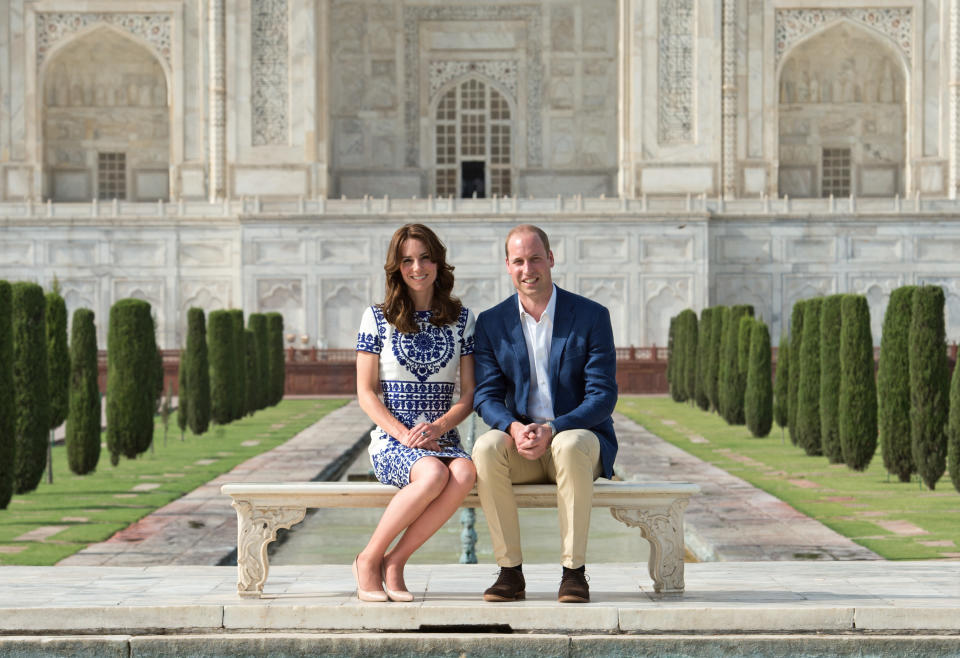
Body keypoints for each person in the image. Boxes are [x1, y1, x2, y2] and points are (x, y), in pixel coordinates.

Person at [472, 224, 618, 604]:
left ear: (550, 259)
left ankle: (573, 573)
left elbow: (602, 397)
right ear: (507, 266)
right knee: (486, 447)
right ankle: (509, 572)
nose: (528, 268)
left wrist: (554, 428)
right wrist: (513, 427)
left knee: (568, 444)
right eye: (518, 261)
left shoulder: (590, 316)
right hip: (524, 446)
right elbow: (486, 397)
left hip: (578, 441)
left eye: (535, 258)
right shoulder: (491, 323)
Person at [353, 223, 477, 602]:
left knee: (466, 470)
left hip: (443, 438)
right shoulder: (377, 318)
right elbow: (365, 392)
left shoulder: (461, 319)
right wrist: (402, 433)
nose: (417, 267)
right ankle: (368, 559)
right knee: (432, 473)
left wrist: (438, 427)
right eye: (407, 260)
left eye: (424, 258)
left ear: (438, 263)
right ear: (397, 267)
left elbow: (470, 394)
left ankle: (396, 562)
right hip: (393, 441)